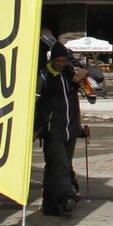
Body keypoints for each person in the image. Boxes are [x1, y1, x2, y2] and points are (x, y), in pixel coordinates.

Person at [37, 40, 89, 216]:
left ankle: (50, 205)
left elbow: (97, 81)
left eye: (64, 61)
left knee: (54, 166)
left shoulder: (70, 75)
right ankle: (66, 197)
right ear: (52, 60)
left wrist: (85, 71)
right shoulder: (44, 76)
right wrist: (36, 128)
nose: (61, 64)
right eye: (58, 61)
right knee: (61, 166)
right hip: (53, 131)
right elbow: (37, 105)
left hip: (71, 130)